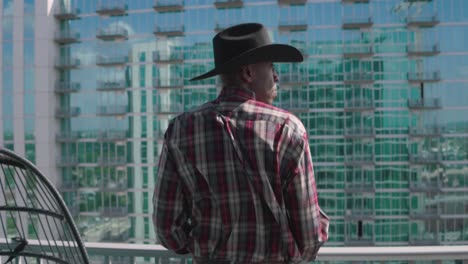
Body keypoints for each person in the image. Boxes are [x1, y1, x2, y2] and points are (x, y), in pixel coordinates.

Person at [153, 23, 329, 264]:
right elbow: (310, 240)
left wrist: (206, 247)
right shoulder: (287, 130)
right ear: (248, 73)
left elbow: (167, 230)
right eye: (271, 67)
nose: (276, 76)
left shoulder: (181, 129)